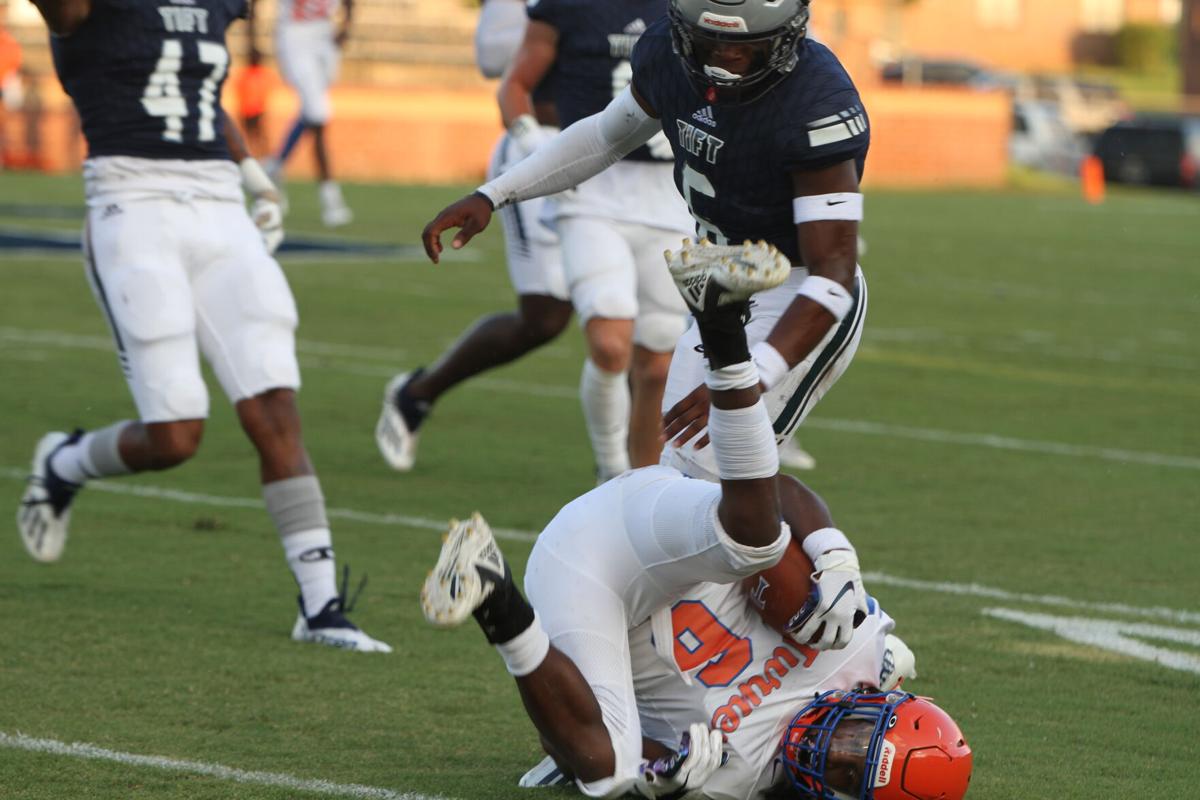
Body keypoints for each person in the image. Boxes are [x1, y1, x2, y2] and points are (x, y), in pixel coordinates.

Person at [422, 240, 888, 798]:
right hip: (651, 534)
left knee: (607, 775)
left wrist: (659, 769)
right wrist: (832, 549)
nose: (838, 752)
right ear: (885, 705)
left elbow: (565, 738)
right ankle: (720, 319)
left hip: (587, 573)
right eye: (859, 745)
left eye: (847, 772)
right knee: (759, 550)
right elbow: (776, 490)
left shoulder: (735, 780)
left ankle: (491, 591)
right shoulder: (862, 649)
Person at [18, 0, 389, 653]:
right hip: (132, 206)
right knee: (176, 433)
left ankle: (321, 604)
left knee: (274, 400)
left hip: (218, 209)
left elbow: (197, 89)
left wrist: (251, 174)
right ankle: (65, 462)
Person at [421, 0, 869, 485]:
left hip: (795, 292)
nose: (722, 55)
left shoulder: (817, 100)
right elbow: (603, 138)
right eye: (709, 38)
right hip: (719, 283)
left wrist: (752, 375)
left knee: (720, 476)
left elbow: (833, 276)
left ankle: (828, 556)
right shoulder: (667, 53)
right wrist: (494, 194)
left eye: (743, 44)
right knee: (676, 474)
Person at [408, 0, 696, 484]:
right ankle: (611, 474)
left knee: (659, 355)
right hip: (591, 192)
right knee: (608, 341)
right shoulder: (568, 7)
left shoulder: (690, 12)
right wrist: (517, 152)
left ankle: (646, 485)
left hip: (670, 196)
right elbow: (531, 92)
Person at [375, 0, 573, 473]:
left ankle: (637, 461)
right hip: (543, 147)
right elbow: (493, 59)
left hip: (631, 162)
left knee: (639, 318)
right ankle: (417, 393)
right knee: (545, 318)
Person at [249, 0, 353, 227]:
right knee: (317, 113)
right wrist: (252, 40)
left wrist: (346, 26)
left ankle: (275, 166)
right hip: (294, 38)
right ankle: (331, 199)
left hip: (324, 36)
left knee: (313, 112)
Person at [233, 44, 275, 156]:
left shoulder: (262, 73)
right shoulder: (245, 74)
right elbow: (240, 92)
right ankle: (251, 155)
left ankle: (265, 156)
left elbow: (265, 92)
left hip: (258, 111)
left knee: (261, 135)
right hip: (247, 111)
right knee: (248, 136)